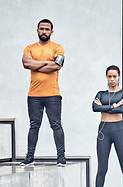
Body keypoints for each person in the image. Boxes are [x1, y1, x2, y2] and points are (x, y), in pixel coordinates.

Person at [20, 19, 66, 167]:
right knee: (34, 126)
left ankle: (61, 157)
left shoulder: (58, 48)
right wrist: (46, 63)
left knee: (56, 125)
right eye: (41, 29)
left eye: (47, 29)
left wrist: (36, 65)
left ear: (52, 31)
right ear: (37, 30)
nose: (44, 31)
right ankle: (29, 157)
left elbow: (57, 65)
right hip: (34, 95)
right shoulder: (29, 48)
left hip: (53, 94)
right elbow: (26, 63)